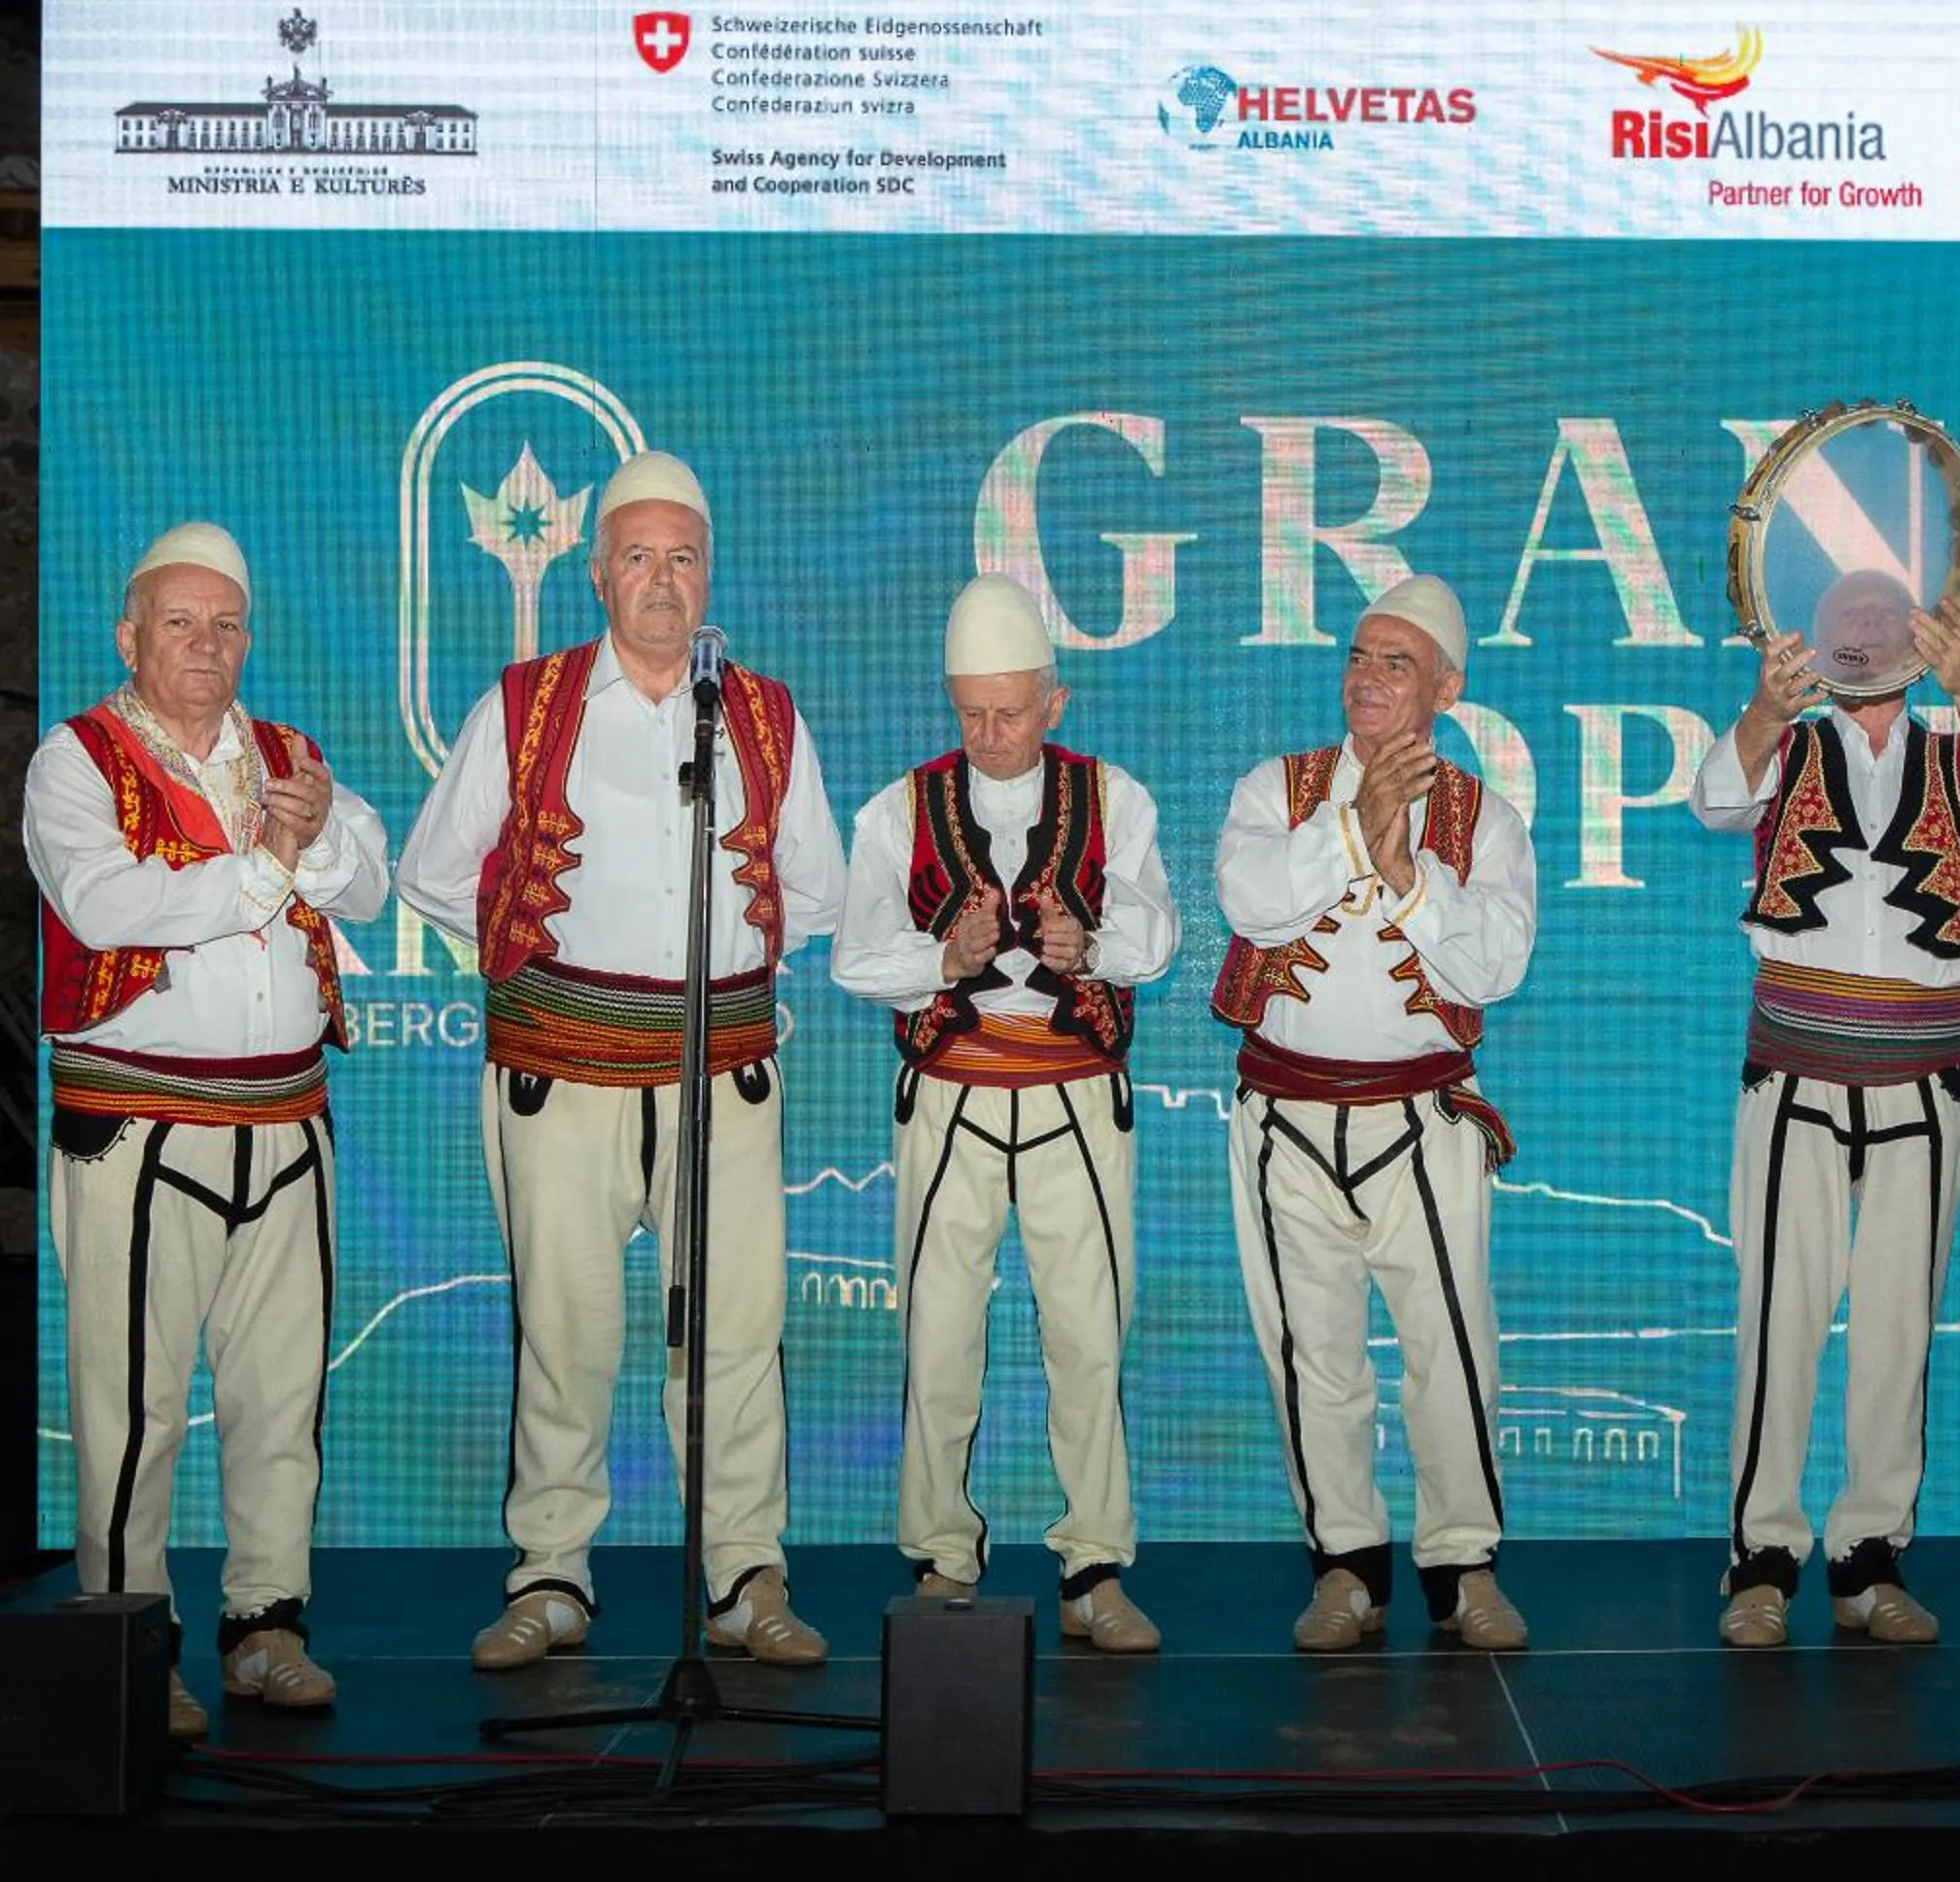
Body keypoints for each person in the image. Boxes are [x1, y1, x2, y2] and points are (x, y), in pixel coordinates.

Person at [397, 452, 847, 1671]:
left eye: (683, 555)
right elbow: (432, 871)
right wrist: (527, 931)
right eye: (638, 554)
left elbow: (819, 887)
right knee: (568, 1327)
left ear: (710, 574)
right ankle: (551, 1573)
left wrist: (747, 922)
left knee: (738, 1331)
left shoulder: (758, 711)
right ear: (595, 570)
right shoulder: (527, 703)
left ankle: (745, 1573)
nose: (661, 578)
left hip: (725, 1074)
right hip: (561, 1070)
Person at [29, 523, 390, 1736]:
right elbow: (107, 897)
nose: (205, 644)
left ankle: (266, 1626)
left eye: (225, 624)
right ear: (130, 636)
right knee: (131, 1403)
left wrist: (321, 831)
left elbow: (372, 883)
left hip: (285, 1120)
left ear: (249, 639)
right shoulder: (72, 760)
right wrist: (263, 868)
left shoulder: (287, 757)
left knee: (280, 1395)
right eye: (178, 623)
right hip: (137, 1127)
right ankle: (131, 1643)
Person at [1690, 584, 1960, 1646]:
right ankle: (1761, 1556)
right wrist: (1762, 709)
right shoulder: (1785, 743)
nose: (1857, 641)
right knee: (1779, 1314)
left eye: (1878, 626)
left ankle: (1869, 1554)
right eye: (1839, 627)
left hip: (1927, 1077)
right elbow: (1713, 800)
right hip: (1793, 1071)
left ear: (1916, 640)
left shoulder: (1957, 749)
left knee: (1900, 1318)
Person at [830, 577, 1179, 1652]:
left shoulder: (1116, 798)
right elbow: (853, 957)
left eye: (1010, 711)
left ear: (1055, 701)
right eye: (970, 711)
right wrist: (947, 955)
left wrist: (1093, 947)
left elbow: (1160, 934)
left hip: (1077, 1089)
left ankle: (1095, 1562)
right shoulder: (898, 806)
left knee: (1088, 1330)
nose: (988, 733)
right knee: (938, 1328)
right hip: (952, 1091)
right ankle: (942, 1546)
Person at [1211, 575, 1537, 1652]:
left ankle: (1462, 1561)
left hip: (1423, 1119)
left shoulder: (1485, 815)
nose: (1368, 678)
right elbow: (1248, 900)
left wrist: (1408, 879)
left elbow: (1497, 961)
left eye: (1397, 663)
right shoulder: (1276, 787)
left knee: (1452, 1344)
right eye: (1359, 656)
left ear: (1447, 685)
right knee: (1313, 1350)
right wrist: (1356, 832)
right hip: (1285, 1118)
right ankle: (1344, 1564)